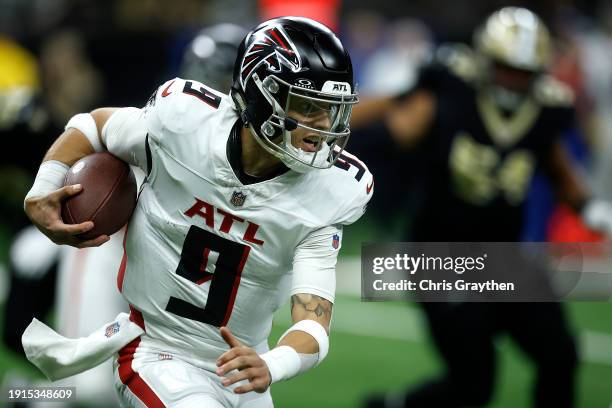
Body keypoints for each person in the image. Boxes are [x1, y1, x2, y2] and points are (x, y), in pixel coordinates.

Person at [23, 16, 371, 407]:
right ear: (259, 94)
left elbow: (314, 321)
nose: (323, 128)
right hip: (158, 350)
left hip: (240, 372)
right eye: (308, 107)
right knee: (89, 393)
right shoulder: (184, 122)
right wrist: (43, 186)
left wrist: (272, 364)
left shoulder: (333, 192)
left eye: (332, 111)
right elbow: (94, 126)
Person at [355, 7, 612, 408]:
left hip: (502, 254)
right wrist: (331, 127)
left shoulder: (548, 108)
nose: (514, 79)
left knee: (560, 354)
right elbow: (398, 121)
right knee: (475, 381)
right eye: (506, 67)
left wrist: (593, 209)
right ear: (486, 59)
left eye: (524, 70)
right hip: (438, 254)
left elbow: (558, 167)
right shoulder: (450, 84)